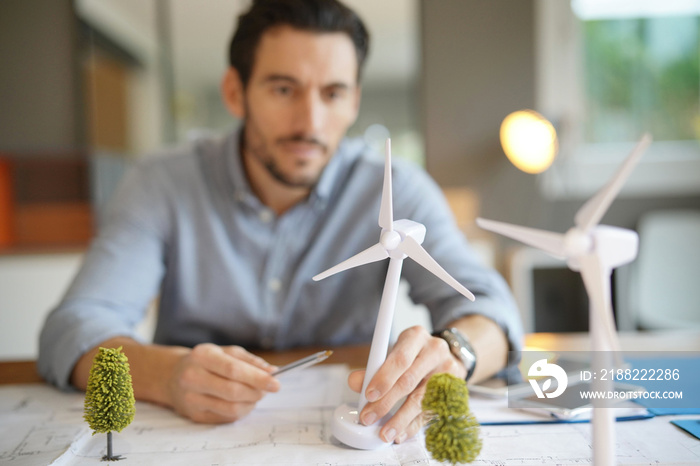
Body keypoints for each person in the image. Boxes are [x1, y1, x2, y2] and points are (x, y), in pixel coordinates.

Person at [39, 0, 523, 445]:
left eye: (332, 93)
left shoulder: (399, 188)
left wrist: (457, 351)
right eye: (283, 88)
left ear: (353, 101)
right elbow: (73, 329)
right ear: (235, 91)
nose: (309, 121)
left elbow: (492, 308)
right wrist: (163, 374)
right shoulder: (161, 183)